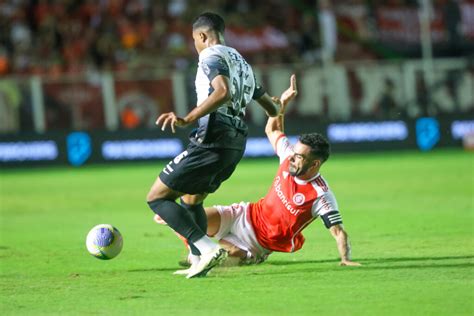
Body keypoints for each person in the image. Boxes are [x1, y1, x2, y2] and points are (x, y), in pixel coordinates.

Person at [157, 75, 361, 274]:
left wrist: (346, 259)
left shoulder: (320, 195)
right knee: (183, 218)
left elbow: (338, 232)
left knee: (219, 261)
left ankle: (212, 257)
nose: (292, 157)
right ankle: (197, 254)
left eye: (300, 157)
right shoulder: (289, 157)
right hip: (242, 215)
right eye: (295, 153)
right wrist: (280, 108)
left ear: (315, 163)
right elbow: (272, 130)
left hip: (256, 243)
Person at [146, 12, 280, 279]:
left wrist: (188, 118)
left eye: (194, 40)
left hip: (213, 136)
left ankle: (207, 248)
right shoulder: (242, 63)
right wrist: (280, 103)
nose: (195, 45)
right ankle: (197, 258)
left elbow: (222, 92)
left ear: (203, 36)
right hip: (235, 142)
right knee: (191, 199)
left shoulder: (210, 56)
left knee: (157, 198)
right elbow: (272, 107)